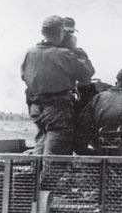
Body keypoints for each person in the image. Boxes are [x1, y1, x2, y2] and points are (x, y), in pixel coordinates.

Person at [21, 15, 95, 155]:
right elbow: (87, 72)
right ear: (61, 33)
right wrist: (75, 49)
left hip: (37, 109)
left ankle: (32, 176)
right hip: (57, 111)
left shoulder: (30, 53)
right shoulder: (63, 55)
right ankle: (48, 177)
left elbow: (24, 76)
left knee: (41, 147)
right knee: (56, 157)